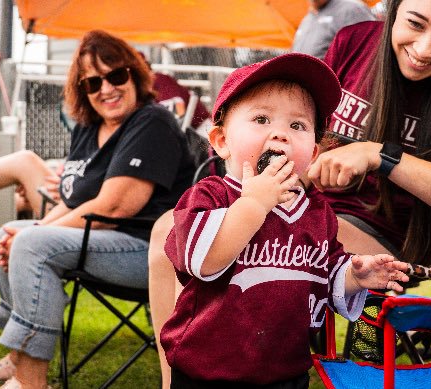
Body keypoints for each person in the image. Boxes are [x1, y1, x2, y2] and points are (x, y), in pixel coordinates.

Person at [147, 0, 431, 386]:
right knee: (172, 230)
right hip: (309, 210)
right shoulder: (355, 42)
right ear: (393, 10)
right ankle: (181, 376)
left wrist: (380, 156)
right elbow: (301, 123)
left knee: (232, 234)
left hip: (385, 244)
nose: (424, 49)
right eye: (415, 24)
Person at [0, 29, 197, 389]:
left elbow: (114, 207)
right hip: (102, 240)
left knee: (31, 243)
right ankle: (18, 358)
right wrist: (28, 231)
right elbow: (72, 201)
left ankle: (30, 381)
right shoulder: (89, 127)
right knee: (14, 232)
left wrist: (34, 236)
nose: (106, 89)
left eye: (116, 75)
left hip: (150, 252)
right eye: (93, 82)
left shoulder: (152, 122)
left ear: (134, 74)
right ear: (82, 89)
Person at [160, 52, 412, 388]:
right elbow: (204, 261)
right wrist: (255, 203)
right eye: (261, 119)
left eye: (297, 126)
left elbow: (325, 275)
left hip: (286, 370)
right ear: (222, 141)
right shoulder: (210, 196)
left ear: (313, 153)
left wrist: (355, 275)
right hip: (208, 369)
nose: (280, 134)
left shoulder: (317, 213)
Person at [142, 52, 213, 131]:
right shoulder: (143, 89)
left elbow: (178, 113)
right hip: (186, 131)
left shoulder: (159, 79)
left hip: (201, 128)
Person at [291, 0, 376, 59]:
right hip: (305, 78)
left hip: (333, 78)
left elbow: (370, 51)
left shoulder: (351, 9)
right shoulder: (306, 19)